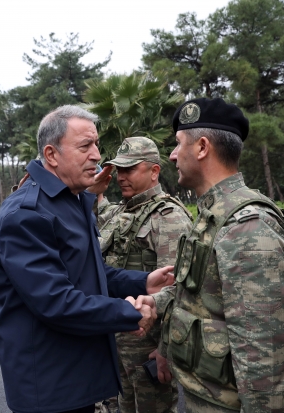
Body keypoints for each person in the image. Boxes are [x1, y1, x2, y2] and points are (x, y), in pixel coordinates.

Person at [0, 105, 175, 413]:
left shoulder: (68, 200)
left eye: (96, 144)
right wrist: (128, 313)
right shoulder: (28, 214)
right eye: (85, 146)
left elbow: (88, 272)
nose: (97, 155)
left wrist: (142, 281)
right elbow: (55, 301)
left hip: (74, 374)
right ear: (52, 155)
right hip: (49, 385)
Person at [136, 98, 284, 412]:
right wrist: (158, 311)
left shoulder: (247, 227)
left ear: (201, 148)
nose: (172, 155)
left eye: (177, 144)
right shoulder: (211, 216)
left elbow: (265, 352)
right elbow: (197, 296)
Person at [94, 136, 193, 413]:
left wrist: (165, 349)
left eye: (130, 169)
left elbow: (177, 290)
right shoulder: (122, 212)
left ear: (153, 171)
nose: (121, 177)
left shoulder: (168, 217)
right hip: (117, 336)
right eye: (119, 170)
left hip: (147, 343)